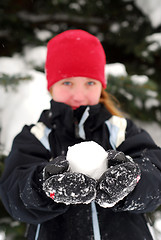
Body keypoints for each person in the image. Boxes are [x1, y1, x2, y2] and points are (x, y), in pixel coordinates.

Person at [0, 29, 161, 240]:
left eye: (89, 83)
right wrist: (44, 185)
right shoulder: (36, 137)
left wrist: (132, 182)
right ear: (51, 86)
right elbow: (14, 193)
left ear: (101, 86)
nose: (78, 95)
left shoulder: (120, 130)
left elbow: (155, 174)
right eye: (67, 83)